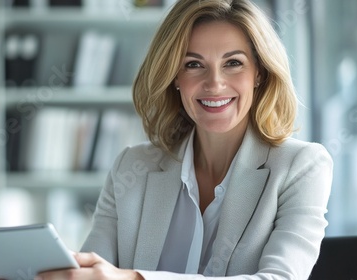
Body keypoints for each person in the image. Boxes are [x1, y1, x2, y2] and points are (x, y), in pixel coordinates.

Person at [36, 0, 333, 279]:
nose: (214, 83)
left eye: (233, 63)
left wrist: (136, 278)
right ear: (175, 77)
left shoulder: (301, 167)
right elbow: (93, 270)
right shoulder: (132, 167)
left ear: (259, 73)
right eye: (193, 64)